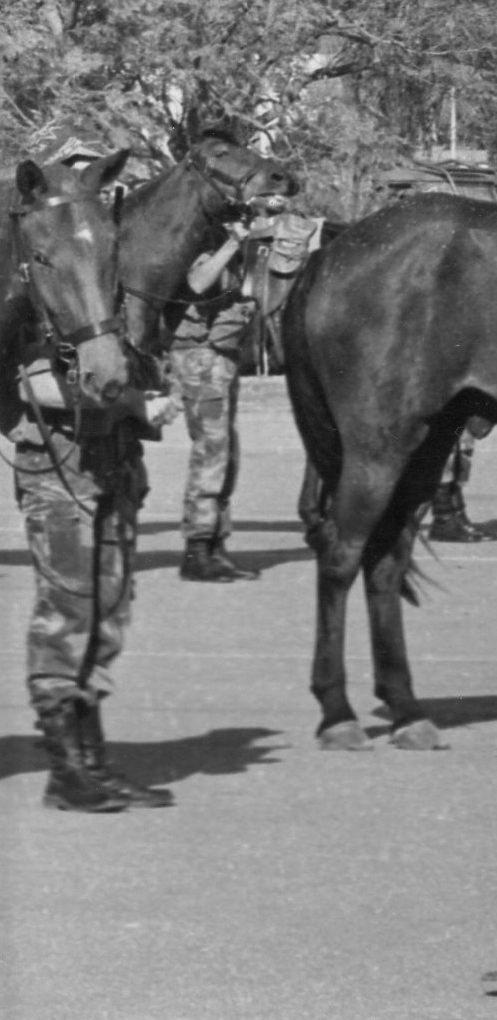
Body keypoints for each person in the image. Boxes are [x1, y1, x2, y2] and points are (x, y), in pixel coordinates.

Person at [16, 128, 177, 811]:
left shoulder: (101, 274)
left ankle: (94, 758)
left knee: (108, 613)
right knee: (67, 614)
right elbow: (35, 385)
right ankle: (64, 770)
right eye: (73, 180)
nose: (82, 194)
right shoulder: (36, 284)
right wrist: (136, 397)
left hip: (114, 462)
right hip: (62, 472)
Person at [169, 176, 260, 582]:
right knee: (211, 450)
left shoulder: (223, 238)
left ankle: (215, 543)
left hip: (221, 356)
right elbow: (197, 282)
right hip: (198, 357)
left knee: (227, 452)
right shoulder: (192, 238)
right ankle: (197, 548)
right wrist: (233, 244)